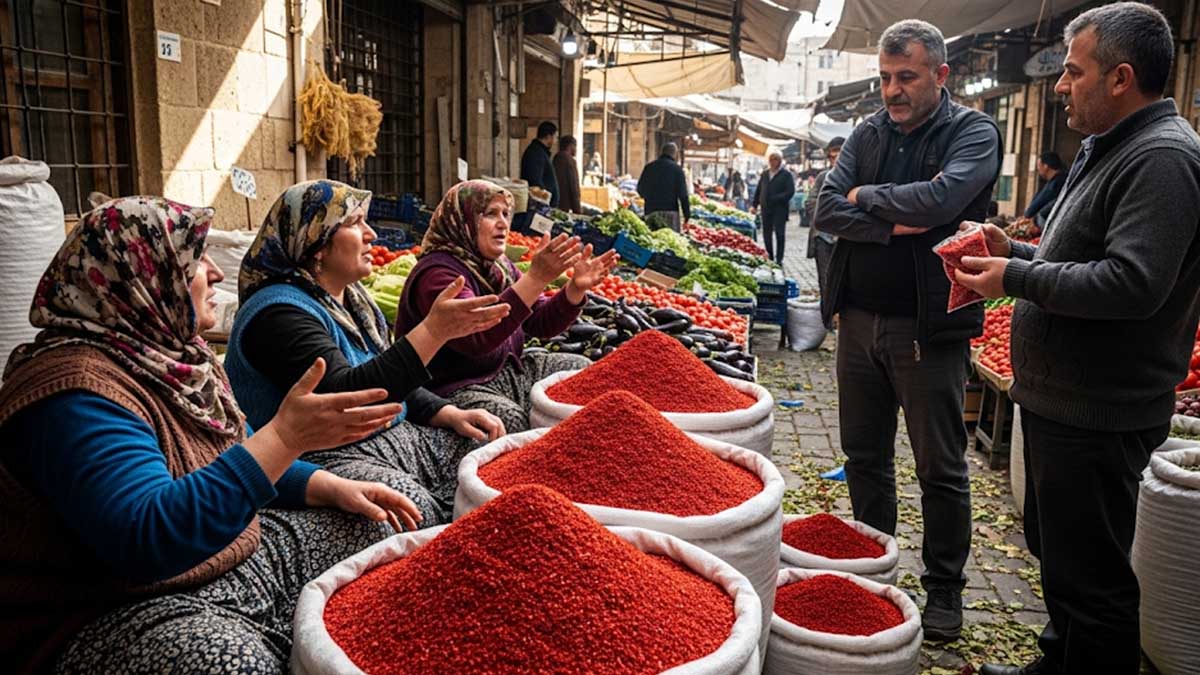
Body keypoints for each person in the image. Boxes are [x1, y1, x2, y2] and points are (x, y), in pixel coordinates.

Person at [0, 196, 423, 672]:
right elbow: (148, 537)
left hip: (225, 558)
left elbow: (227, 453)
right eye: (194, 260)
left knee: (380, 520)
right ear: (143, 277)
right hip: (112, 607)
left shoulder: (178, 359)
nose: (215, 273)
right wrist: (285, 438)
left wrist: (326, 485)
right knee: (233, 664)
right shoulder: (75, 393)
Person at [952, 5, 1200, 674]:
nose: (1060, 85)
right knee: (1062, 558)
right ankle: (1060, 659)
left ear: (1121, 78)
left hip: (1103, 410)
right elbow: (1087, 257)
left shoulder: (1164, 159)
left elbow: (1130, 284)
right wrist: (1018, 253)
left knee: (1096, 584)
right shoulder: (1114, 146)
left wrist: (1014, 277)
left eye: (1072, 71)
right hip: (1066, 402)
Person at [814, 19, 1001, 642]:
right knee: (864, 456)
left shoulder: (971, 131)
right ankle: (877, 568)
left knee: (939, 467)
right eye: (886, 77)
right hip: (858, 322)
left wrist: (869, 196)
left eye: (906, 77)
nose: (892, 91)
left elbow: (943, 201)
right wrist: (890, 219)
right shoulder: (869, 130)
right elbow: (826, 206)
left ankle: (944, 587)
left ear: (940, 76)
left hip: (929, 329)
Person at [225, 180, 511, 525]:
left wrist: (445, 412)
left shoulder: (352, 301)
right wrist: (433, 332)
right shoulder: (277, 315)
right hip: (328, 459)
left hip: (392, 440)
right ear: (317, 241)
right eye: (354, 223)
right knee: (406, 511)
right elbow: (350, 398)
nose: (372, 234)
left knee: (491, 456)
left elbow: (380, 368)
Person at [396, 180, 619, 434]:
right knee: (508, 420)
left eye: (505, 214)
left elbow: (541, 324)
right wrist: (536, 278)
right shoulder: (438, 274)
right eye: (490, 214)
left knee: (582, 371)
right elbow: (477, 338)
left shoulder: (498, 267)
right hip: (454, 386)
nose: (503, 223)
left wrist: (575, 289)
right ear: (462, 220)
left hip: (506, 370)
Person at [805, 136, 845, 329]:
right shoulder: (823, 177)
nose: (835, 159)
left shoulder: (854, 177)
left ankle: (842, 316)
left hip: (845, 237)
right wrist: (823, 217)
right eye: (832, 156)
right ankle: (827, 318)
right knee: (825, 278)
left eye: (839, 155)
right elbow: (810, 201)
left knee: (843, 279)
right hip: (823, 237)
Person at [752, 150, 796, 265]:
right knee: (767, 233)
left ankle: (779, 258)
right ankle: (769, 255)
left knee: (780, 234)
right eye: (771, 160)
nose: (773, 162)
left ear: (779, 161)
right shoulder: (765, 174)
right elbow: (759, 189)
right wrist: (755, 204)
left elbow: (790, 191)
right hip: (766, 208)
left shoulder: (786, 175)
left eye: (775, 160)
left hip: (779, 209)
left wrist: (776, 198)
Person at [636, 143, 691, 232]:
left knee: (652, 240)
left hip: (651, 211)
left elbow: (640, 189)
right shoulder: (677, 170)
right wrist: (687, 215)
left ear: (662, 152)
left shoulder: (649, 167)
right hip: (670, 212)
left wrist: (651, 198)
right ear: (675, 154)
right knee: (670, 241)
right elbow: (683, 195)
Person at [520, 121, 560, 208]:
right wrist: (545, 200)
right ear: (549, 137)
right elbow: (535, 181)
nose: (555, 141)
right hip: (540, 207)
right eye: (555, 137)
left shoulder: (541, 152)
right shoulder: (535, 153)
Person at [1022, 152, 1066, 229]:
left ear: (1046, 166)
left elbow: (1041, 201)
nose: (1037, 169)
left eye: (1039, 165)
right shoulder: (1053, 181)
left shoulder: (1058, 182)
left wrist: (1029, 215)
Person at [553, 135, 582, 213]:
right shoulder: (570, 160)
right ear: (570, 146)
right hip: (565, 205)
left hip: (555, 203)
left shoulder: (556, 158)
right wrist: (577, 210)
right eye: (575, 146)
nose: (576, 149)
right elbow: (573, 186)